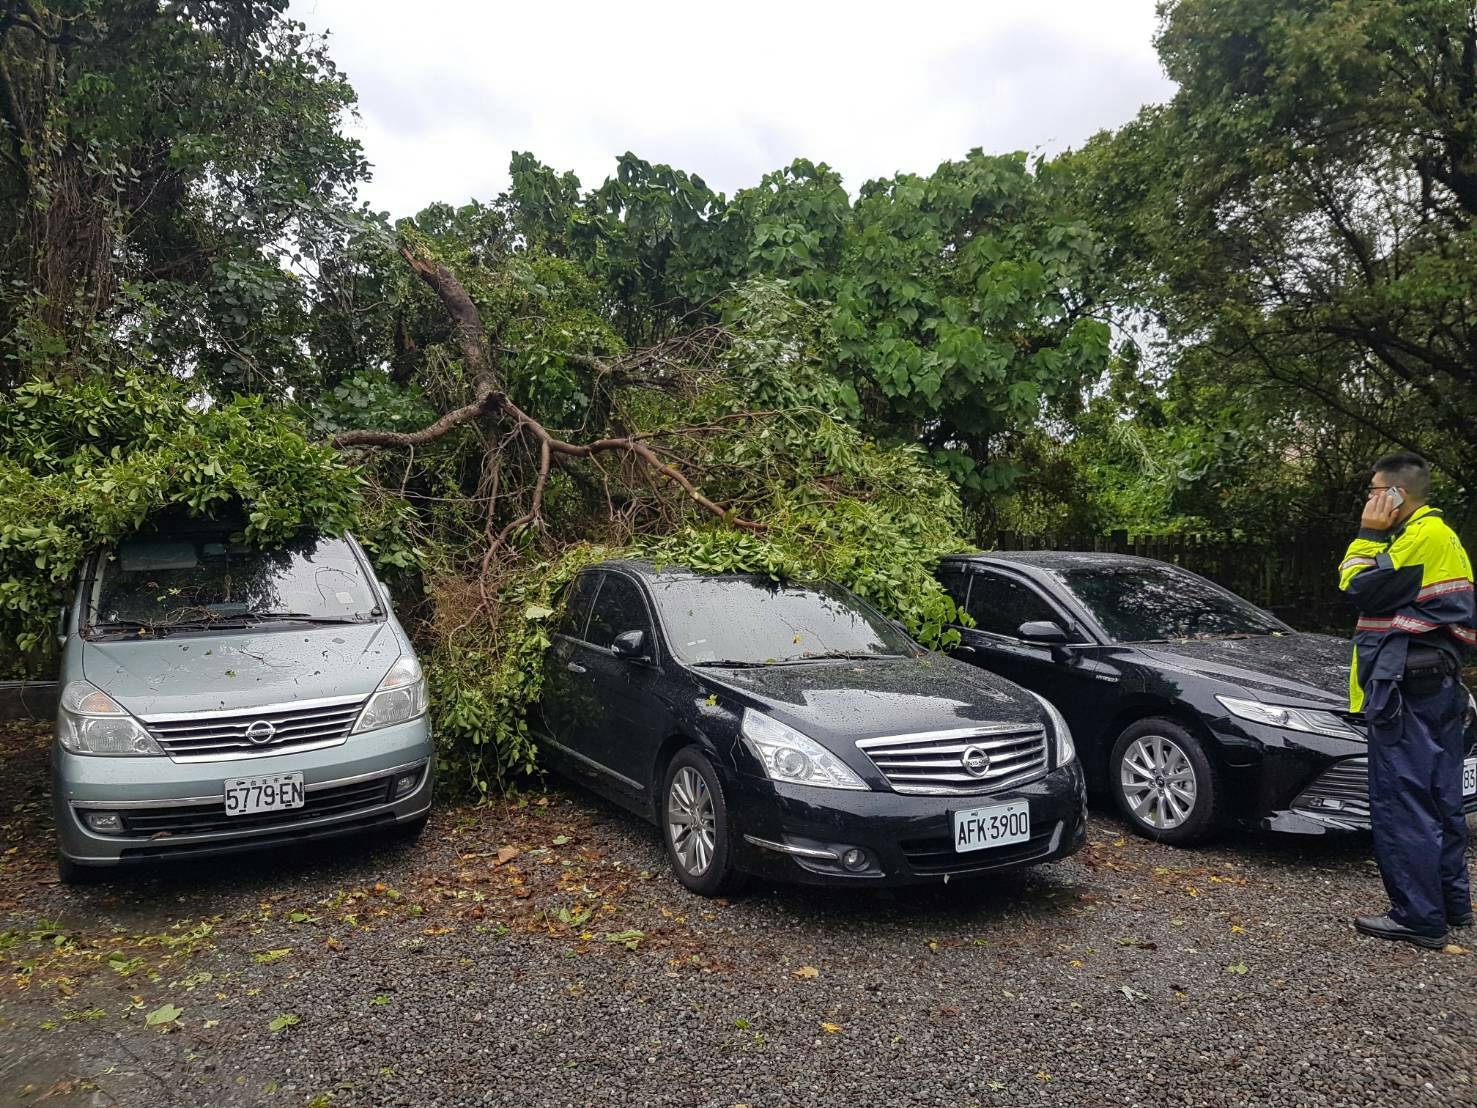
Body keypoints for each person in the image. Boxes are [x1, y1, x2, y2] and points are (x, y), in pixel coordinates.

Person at [1338, 452, 1475, 948]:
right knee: (1440, 799)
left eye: (1375, 490)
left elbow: (1357, 587)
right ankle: (1452, 904)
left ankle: (1418, 917)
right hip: (1434, 684)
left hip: (1406, 692)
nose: (1370, 499)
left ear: (1395, 495)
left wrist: (1368, 536)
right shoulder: (1439, 537)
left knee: (1403, 802)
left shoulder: (1418, 537)